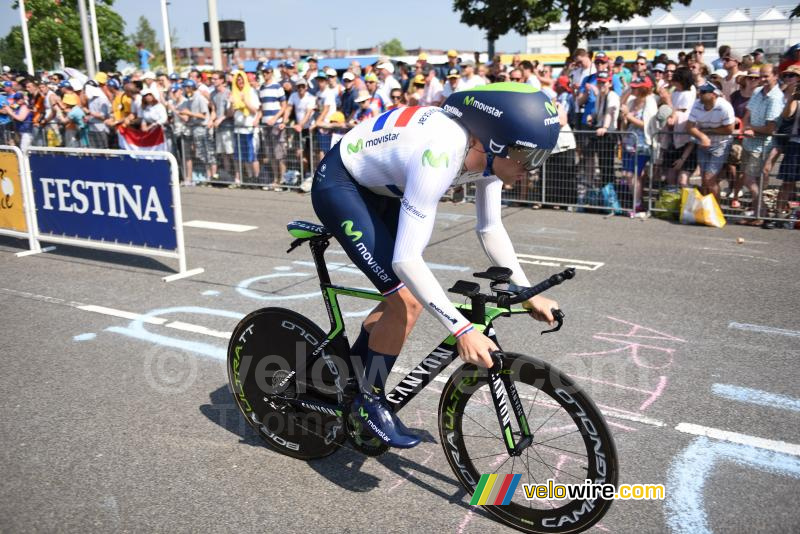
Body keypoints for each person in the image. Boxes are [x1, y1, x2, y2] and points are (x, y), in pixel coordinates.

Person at [310, 84, 560, 448]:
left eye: (541, 157)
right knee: (407, 301)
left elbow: (490, 228)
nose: (533, 168)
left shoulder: (489, 156)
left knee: (398, 300)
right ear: (494, 144)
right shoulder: (441, 152)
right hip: (343, 183)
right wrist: (461, 330)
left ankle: (352, 375)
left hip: (386, 187)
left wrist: (527, 292)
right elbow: (406, 259)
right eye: (529, 156)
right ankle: (370, 401)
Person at [686, 81, 735, 200]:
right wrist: (702, 137)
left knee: (710, 178)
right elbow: (689, 126)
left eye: (703, 92)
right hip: (703, 145)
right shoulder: (697, 104)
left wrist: (708, 132)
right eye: (700, 91)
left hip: (720, 145)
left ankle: (716, 210)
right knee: (704, 179)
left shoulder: (724, 106)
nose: (699, 94)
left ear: (714, 94)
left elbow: (729, 129)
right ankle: (707, 209)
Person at [258, 64, 288, 189]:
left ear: (272, 72)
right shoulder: (262, 88)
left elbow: (284, 106)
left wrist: (275, 119)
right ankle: (275, 178)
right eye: (264, 72)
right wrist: (257, 119)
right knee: (270, 154)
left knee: (279, 154)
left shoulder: (277, 87)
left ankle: (283, 180)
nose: (265, 74)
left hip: (276, 125)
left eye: (268, 72)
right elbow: (262, 107)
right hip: (265, 125)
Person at [229, 70, 261, 185]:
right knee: (243, 156)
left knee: (252, 156)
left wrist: (244, 101)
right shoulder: (233, 93)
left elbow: (255, 110)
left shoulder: (251, 92)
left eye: (241, 79)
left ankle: (256, 178)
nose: (239, 82)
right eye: (237, 80)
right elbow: (230, 114)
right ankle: (249, 178)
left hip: (249, 129)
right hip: (238, 129)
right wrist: (232, 104)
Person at [209, 70, 234, 180]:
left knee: (231, 152)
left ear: (222, 80)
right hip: (219, 128)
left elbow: (230, 112)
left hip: (228, 127)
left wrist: (221, 119)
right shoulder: (212, 94)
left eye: (215, 79)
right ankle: (227, 176)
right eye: (212, 79)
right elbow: (214, 110)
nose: (213, 81)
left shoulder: (228, 92)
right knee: (223, 153)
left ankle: (237, 176)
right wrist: (211, 120)